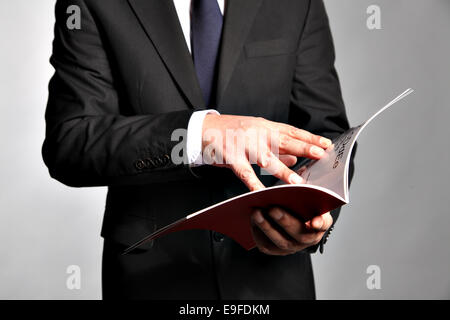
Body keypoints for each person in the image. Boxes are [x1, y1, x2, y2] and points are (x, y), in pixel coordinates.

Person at [43, 0, 355, 299]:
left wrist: (311, 212)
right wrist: (198, 135)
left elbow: (328, 136)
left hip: (273, 277)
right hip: (150, 279)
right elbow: (70, 141)